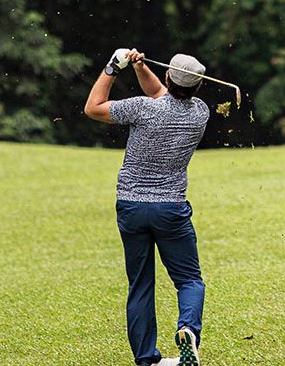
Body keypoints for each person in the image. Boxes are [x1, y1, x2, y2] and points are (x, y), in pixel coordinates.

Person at [84, 48, 210, 366]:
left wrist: (114, 67)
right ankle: (188, 330)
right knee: (189, 281)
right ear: (197, 87)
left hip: (131, 206)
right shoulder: (200, 112)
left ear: (168, 76)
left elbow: (93, 108)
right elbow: (165, 95)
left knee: (140, 284)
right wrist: (140, 68)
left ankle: (146, 359)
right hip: (171, 209)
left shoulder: (144, 109)